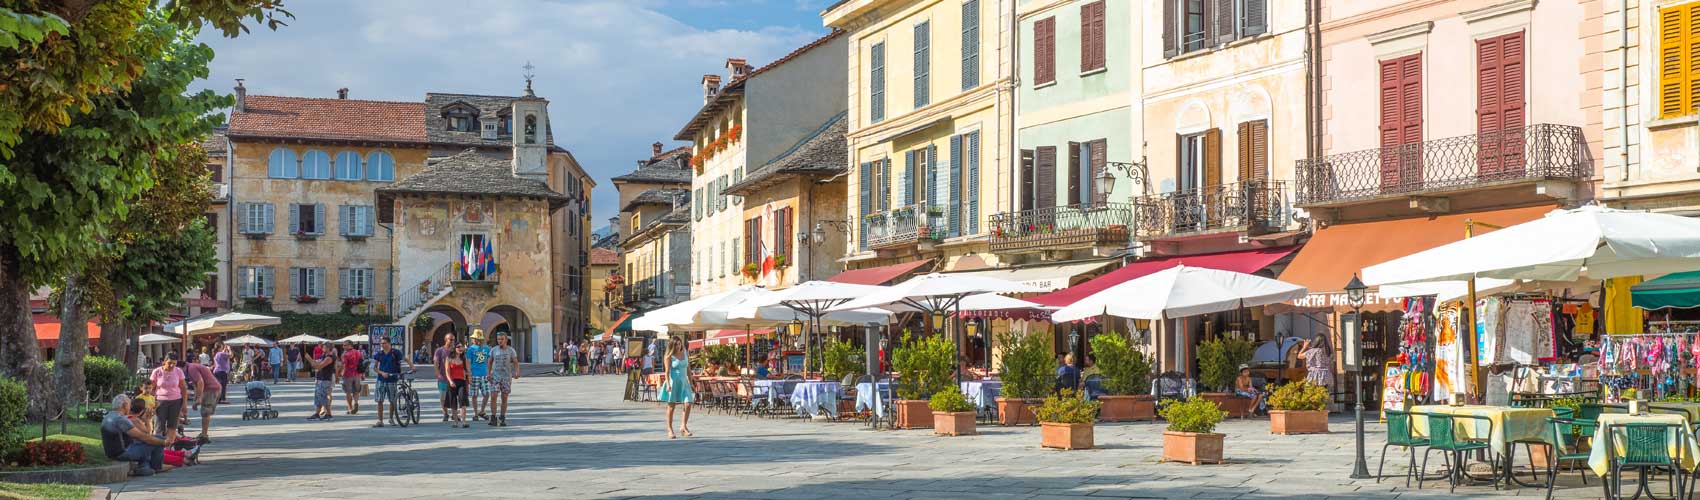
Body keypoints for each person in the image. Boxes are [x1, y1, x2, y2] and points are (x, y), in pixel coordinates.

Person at [102, 394, 172, 476]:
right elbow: (142, 436)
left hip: (113, 452)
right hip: (123, 453)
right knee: (158, 440)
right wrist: (163, 442)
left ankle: (144, 468)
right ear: (125, 405)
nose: (130, 407)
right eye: (129, 405)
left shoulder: (108, 416)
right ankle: (157, 467)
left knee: (151, 442)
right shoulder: (120, 419)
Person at [370, 336, 410, 428]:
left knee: (392, 400)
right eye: (381, 343)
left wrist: (412, 367)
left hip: (392, 379)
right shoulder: (379, 354)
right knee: (379, 400)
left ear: (389, 343)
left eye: (384, 343)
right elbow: (375, 368)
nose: (382, 345)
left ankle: (391, 418)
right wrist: (382, 373)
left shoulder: (395, 352)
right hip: (381, 379)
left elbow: (405, 359)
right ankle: (380, 420)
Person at [181, 356, 222, 443]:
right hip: (212, 388)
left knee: (205, 412)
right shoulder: (191, 368)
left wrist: (199, 398)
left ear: (182, 367)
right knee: (205, 412)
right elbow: (196, 385)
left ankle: (204, 435)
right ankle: (204, 433)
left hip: (211, 389)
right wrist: (196, 399)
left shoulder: (191, 368)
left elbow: (200, 382)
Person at [148, 354, 187, 443]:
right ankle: (157, 447)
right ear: (164, 362)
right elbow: (151, 388)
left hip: (176, 401)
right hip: (160, 401)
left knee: (172, 426)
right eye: (169, 363)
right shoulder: (157, 372)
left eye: (174, 363)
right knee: (159, 426)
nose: (172, 366)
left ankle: (168, 448)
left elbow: (183, 388)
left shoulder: (178, 371)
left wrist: (184, 404)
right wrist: (150, 403)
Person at [658, 341, 693, 439]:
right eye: (676, 344)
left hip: (684, 382)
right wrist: (668, 384)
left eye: (679, 344)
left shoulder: (685, 353)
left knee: (688, 403)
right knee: (671, 406)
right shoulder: (669, 356)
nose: (679, 346)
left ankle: (683, 426)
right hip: (673, 382)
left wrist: (691, 383)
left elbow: (688, 370)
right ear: (672, 346)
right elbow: (667, 372)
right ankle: (670, 429)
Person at [488, 332, 519, 427]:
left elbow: (515, 362)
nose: (500, 341)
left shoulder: (511, 350)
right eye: (498, 339)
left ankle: (502, 417)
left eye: (502, 339)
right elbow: (489, 362)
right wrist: (488, 373)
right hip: (495, 376)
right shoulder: (493, 350)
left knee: (504, 398)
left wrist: (517, 372)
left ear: (506, 340)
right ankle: (493, 417)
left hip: (506, 377)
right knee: (493, 396)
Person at [465, 330, 492, 421]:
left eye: (476, 339)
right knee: (474, 395)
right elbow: (468, 362)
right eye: (474, 339)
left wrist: (489, 372)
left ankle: (482, 411)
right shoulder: (471, 349)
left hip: (484, 374)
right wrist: (469, 374)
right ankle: (476, 413)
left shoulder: (487, 348)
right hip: (474, 374)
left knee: (487, 394)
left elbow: (489, 361)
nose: (475, 340)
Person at [308, 342, 338, 421]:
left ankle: (329, 414)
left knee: (324, 397)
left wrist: (310, 360)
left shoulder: (330, 357)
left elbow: (319, 366)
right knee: (318, 397)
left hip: (325, 379)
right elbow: (317, 364)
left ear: (328, 348)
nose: (322, 348)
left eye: (323, 347)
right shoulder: (324, 356)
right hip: (321, 378)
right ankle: (317, 413)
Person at [445, 342, 470, 428]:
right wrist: (450, 381)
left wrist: (468, 380)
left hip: (462, 381)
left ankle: (464, 421)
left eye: (462, 347)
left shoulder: (464, 358)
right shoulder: (449, 358)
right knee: (453, 402)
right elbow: (447, 372)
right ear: (454, 349)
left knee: (462, 401)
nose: (460, 349)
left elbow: (467, 371)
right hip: (452, 382)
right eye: (458, 347)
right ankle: (455, 422)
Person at [433, 333, 457, 422]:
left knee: (454, 396)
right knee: (443, 397)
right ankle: (445, 413)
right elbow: (436, 363)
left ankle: (454, 414)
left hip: (454, 377)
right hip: (443, 377)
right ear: (445, 340)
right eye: (450, 339)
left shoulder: (455, 350)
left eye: (453, 339)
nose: (452, 341)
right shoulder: (439, 350)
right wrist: (438, 374)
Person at [340, 340, 365, 415]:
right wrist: (363, 374)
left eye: (345, 345)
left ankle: (350, 408)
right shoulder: (359, 352)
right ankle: (356, 402)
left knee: (348, 392)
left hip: (348, 374)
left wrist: (341, 374)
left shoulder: (345, 354)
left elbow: (344, 365)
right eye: (343, 345)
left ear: (350, 345)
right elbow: (362, 364)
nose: (343, 347)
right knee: (356, 391)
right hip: (357, 374)